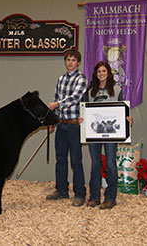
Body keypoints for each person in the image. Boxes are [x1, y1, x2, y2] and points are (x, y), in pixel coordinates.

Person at [83, 61, 133, 209]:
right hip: (94, 134)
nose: (101, 74)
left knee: (111, 164)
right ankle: (94, 197)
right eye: (99, 71)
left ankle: (110, 198)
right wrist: (82, 119)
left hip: (111, 134)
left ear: (108, 73)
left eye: (104, 71)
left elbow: (122, 110)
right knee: (95, 165)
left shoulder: (116, 90)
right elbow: (85, 110)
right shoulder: (90, 91)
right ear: (95, 74)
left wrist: (128, 119)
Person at [46, 50, 88, 206]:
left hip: (74, 125)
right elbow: (55, 98)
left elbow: (74, 98)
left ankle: (80, 194)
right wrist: (52, 121)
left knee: (76, 160)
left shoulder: (81, 79)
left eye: (73, 60)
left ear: (78, 63)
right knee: (60, 159)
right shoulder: (61, 79)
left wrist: (57, 104)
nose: (70, 62)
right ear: (65, 61)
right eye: (68, 59)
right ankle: (62, 190)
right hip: (62, 124)